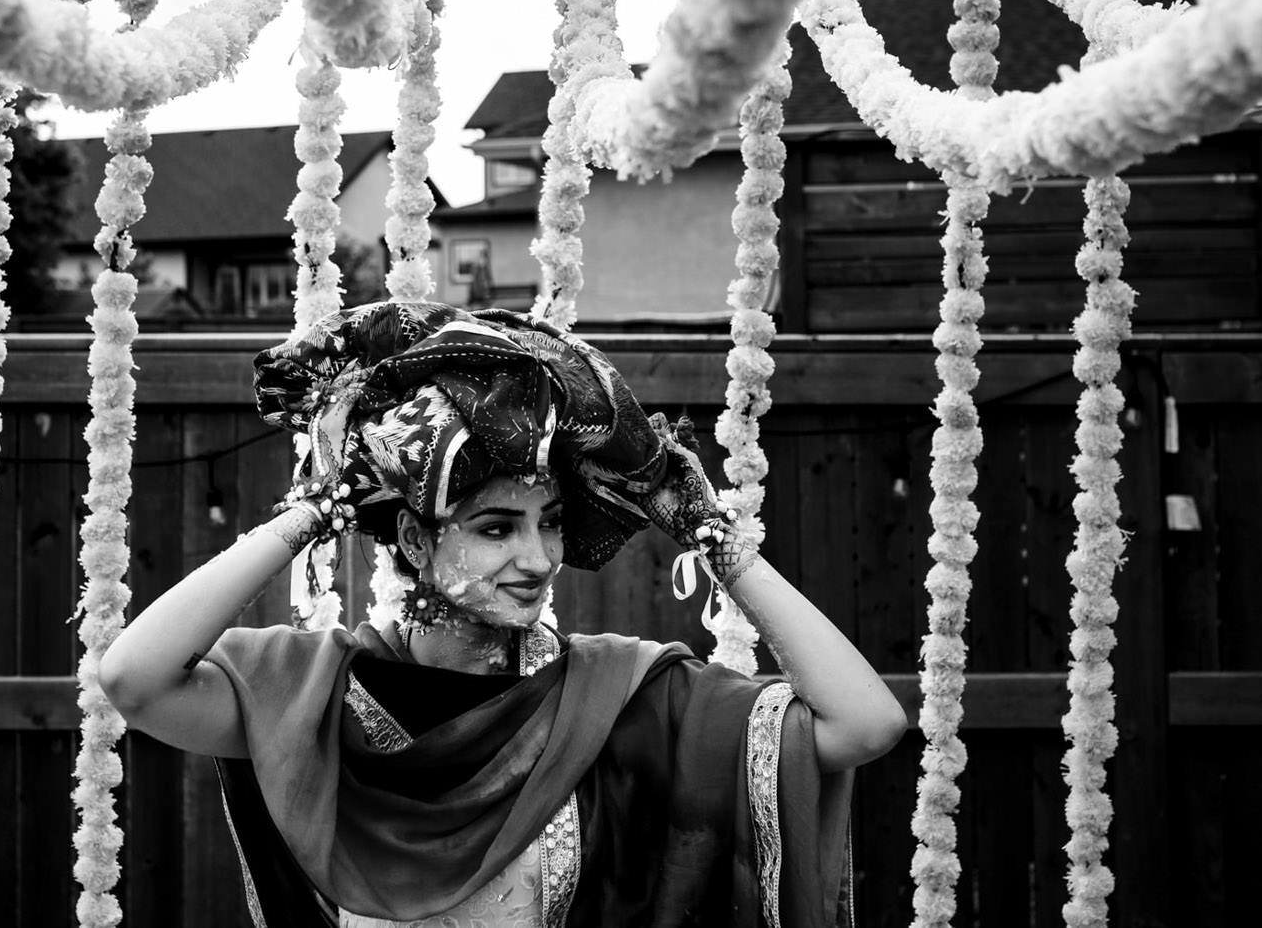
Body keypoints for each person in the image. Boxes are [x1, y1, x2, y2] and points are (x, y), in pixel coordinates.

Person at [101, 302, 906, 927]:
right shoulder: (313, 695)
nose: (538, 557)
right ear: (416, 538)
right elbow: (134, 678)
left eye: (550, 521)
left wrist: (714, 537)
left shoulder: (610, 699)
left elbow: (865, 724)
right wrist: (314, 510)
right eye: (496, 528)